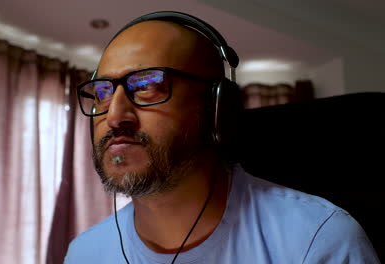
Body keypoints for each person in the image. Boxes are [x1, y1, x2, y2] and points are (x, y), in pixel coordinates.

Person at [64, 11, 379, 263]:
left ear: (216, 109)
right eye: (103, 92)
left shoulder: (316, 241)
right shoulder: (84, 254)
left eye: (147, 85)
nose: (115, 116)